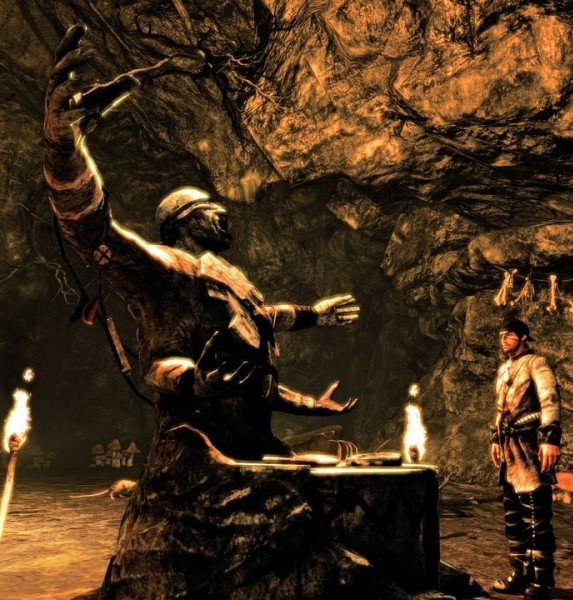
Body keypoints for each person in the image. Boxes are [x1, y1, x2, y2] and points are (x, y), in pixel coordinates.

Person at [43, 24, 360, 461]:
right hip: (197, 451)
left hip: (252, 446)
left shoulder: (229, 283)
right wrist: (62, 147)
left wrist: (315, 321)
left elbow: (262, 329)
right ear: (182, 222)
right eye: (209, 208)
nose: (222, 213)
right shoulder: (166, 271)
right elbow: (91, 229)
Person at [490, 317, 561, 600]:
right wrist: (495, 439)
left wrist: (550, 439)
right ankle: (519, 574)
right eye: (501, 335)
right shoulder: (504, 368)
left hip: (529, 448)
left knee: (535, 516)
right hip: (508, 450)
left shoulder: (536, 363)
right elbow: (500, 409)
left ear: (522, 337)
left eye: (509, 335)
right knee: (513, 517)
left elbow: (549, 400)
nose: (504, 340)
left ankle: (540, 580)